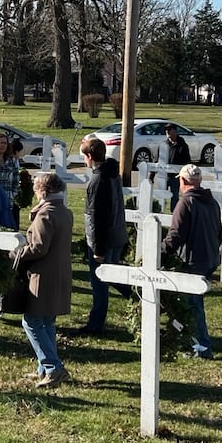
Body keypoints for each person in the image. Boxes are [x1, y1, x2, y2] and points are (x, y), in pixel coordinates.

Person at [11, 171, 74, 388]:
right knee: (46, 322)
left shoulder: (45, 214)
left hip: (43, 275)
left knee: (32, 321)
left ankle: (54, 367)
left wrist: (15, 253)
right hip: (60, 273)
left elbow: (38, 248)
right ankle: (43, 367)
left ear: (42, 190)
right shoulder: (65, 212)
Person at [161, 163, 222, 358]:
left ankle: (202, 347)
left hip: (192, 261)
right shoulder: (212, 202)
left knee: (193, 305)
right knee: (191, 304)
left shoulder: (185, 203)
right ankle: (187, 340)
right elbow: (219, 233)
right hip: (210, 258)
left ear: (182, 181)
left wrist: (159, 253)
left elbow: (176, 235)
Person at [76, 136, 128, 336]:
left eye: (84, 156)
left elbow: (97, 217)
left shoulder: (97, 181)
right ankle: (139, 296)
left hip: (104, 239)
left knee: (99, 282)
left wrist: (97, 249)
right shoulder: (112, 173)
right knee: (113, 276)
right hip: (116, 234)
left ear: (89, 156)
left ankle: (95, 324)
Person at [0, 134, 21, 227]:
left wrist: (13, 194)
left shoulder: (11, 161)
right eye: (0, 143)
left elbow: (16, 180)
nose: (3, 145)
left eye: (5, 143)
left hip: (7, 198)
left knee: (6, 226)